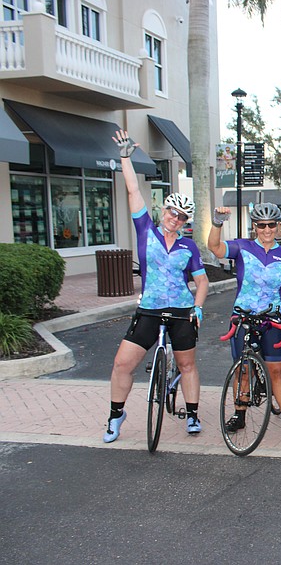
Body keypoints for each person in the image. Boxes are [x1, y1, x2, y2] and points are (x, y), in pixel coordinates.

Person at [103, 131, 209, 443]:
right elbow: (133, 190)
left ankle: (192, 414)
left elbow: (201, 281)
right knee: (123, 364)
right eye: (171, 212)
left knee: (187, 365)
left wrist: (198, 307)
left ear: (186, 220)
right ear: (163, 211)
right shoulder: (144, 229)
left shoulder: (188, 247)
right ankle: (115, 414)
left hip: (180, 311)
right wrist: (125, 158)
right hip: (148, 310)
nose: (174, 218)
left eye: (181, 216)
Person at [207, 203, 281, 433]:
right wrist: (217, 222)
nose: (266, 229)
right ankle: (240, 414)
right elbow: (215, 248)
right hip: (244, 316)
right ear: (254, 226)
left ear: (278, 226)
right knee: (242, 368)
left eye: (271, 225)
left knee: (277, 369)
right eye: (261, 225)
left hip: (273, 318)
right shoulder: (243, 247)